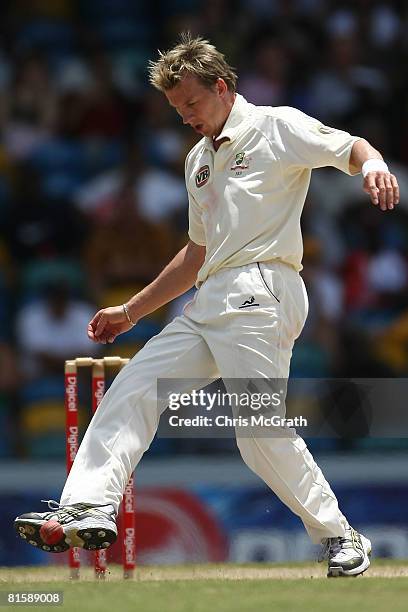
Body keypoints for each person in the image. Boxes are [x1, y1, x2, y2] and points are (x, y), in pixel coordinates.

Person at [15, 33, 399, 577]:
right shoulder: (198, 160)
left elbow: (350, 146)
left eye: (192, 104)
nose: (186, 117)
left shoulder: (276, 125)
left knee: (257, 432)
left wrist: (374, 166)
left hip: (262, 287)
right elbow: (197, 252)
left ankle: (340, 536)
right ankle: (90, 505)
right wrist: (132, 311)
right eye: (176, 110)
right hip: (212, 296)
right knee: (134, 386)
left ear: (221, 87)